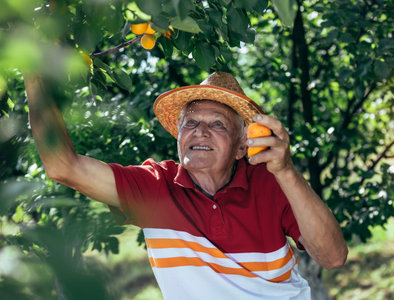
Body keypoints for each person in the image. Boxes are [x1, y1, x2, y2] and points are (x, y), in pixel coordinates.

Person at [25, 71, 347, 299]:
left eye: (217, 124)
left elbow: (332, 257)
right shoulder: (155, 187)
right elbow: (62, 166)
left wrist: (288, 173)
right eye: (190, 123)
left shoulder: (272, 180)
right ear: (179, 138)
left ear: (240, 147)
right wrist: (34, 72)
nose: (200, 131)